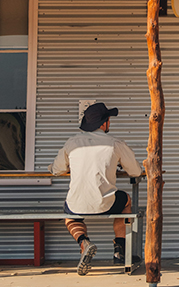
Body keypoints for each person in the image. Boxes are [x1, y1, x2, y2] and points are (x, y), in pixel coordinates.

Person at [49, 102, 143, 275]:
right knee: (126, 201)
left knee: (69, 214)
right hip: (106, 203)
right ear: (104, 123)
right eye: (108, 119)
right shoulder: (115, 143)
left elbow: (56, 169)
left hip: (76, 203)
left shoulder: (73, 143)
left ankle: (83, 242)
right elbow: (135, 171)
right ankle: (119, 250)